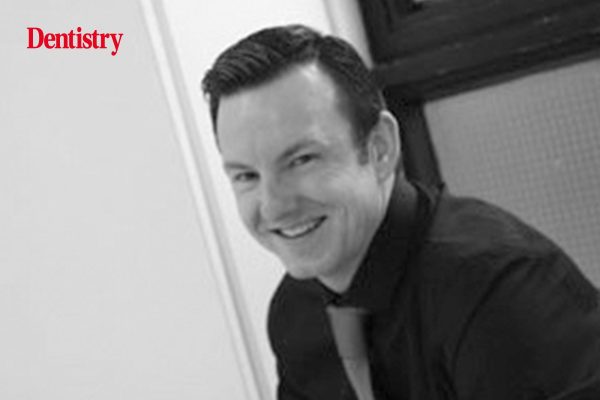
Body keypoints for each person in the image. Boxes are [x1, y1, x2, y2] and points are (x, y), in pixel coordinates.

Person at [202, 24, 600, 400]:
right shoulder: (295, 311)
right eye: (246, 176)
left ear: (380, 149)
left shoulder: (499, 288)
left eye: (302, 160)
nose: (274, 205)